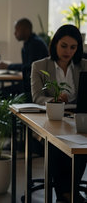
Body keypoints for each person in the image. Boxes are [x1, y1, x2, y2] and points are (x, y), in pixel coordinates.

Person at [31, 24, 87, 202]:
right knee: (55, 143)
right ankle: (67, 193)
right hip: (50, 120)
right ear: (55, 44)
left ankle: (69, 191)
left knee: (82, 143)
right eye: (64, 46)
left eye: (73, 47)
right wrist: (53, 100)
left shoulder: (84, 66)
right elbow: (37, 97)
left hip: (78, 119)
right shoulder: (39, 66)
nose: (68, 51)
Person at [0, 18, 48, 102]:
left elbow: (31, 66)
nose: (15, 33)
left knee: (1, 93)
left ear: (26, 30)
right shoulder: (28, 43)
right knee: (2, 92)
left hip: (35, 88)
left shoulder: (35, 44)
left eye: (17, 30)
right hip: (29, 85)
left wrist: (8, 66)